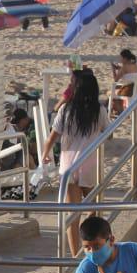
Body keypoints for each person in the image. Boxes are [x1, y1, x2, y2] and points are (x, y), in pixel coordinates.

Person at [41, 70, 108, 255]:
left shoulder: (66, 110)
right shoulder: (99, 111)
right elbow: (108, 134)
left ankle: (74, 254)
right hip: (88, 165)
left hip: (68, 166)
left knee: (73, 214)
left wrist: (45, 154)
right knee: (93, 208)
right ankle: (92, 248)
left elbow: (52, 137)